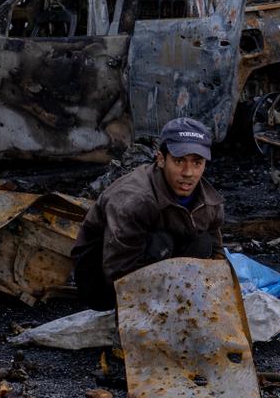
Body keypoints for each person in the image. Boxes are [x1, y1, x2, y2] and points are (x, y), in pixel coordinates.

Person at [70, 117, 224, 310]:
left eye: (197, 163)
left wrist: (216, 295)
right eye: (179, 161)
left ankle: (176, 301)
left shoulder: (209, 202)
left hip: (157, 270)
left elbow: (217, 255)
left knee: (202, 242)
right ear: (161, 159)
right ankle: (161, 307)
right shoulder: (134, 199)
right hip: (101, 282)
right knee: (162, 242)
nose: (188, 173)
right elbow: (118, 271)